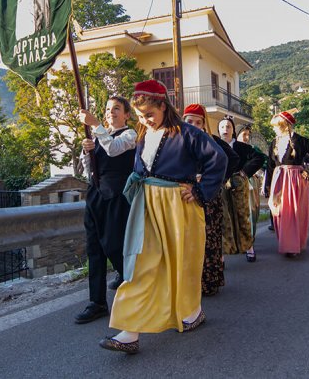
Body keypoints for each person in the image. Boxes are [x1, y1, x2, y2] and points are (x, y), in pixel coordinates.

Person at [99, 80, 227, 355]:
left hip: (178, 205)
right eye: (141, 115)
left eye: (149, 114)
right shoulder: (144, 134)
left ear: (163, 106)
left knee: (183, 262)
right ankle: (129, 332)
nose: (145, 120)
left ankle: (192, 313)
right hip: (148, 206)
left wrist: (201, 190)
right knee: (142, 264)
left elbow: (218, 159)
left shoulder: (189, 133)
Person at [74, 97, 137, 324]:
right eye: (108, 109)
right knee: (94, 249)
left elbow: (113, 149)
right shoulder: (99, 137)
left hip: (117, 197)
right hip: (95, 196)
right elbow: (89, 171)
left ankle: (138, 290)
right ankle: (97, 301)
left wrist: (95, 127)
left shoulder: (130, 136)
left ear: (127, 115)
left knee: (114, 246)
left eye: (117, 109)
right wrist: (87, 152)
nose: (112, 112)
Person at [182, 104, 239, 296]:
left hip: (208, 195)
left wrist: (215, 180)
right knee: (188, 239)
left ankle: (209, 282)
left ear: (204, 124)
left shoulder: (211, 140)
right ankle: (189, 283)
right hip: (186, 195)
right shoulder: (179, 141)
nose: (194, 125)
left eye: (198, 122)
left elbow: (232, 159)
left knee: (209, 238)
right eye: (189, 121)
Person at [265, 111, 309, 257]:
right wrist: (268, 186)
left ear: (284, 125)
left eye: (275, 126)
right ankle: (285, 243)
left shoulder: (299, 141)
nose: (273, 129)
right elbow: (270, 165)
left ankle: (293, 244)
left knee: (294, 211)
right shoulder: (274, 142)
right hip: (279, 180)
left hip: (294, 180)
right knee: (280, 211)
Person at [218, 116, 267, 262]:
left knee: (243, 215)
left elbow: (260, 157)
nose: (225, 129)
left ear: (233, 130)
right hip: (220, 184)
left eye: (228, 126)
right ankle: (223, 253)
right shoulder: (215, 145)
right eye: (222, 127)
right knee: (223, 217)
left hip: (238, 184)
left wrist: (245, 172)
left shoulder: (240, 147)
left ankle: (248, 247)